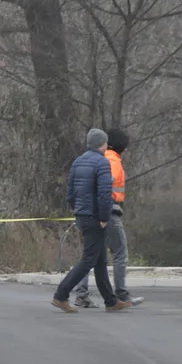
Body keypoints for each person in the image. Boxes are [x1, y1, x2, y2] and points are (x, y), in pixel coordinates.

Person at [52, 129, 132, 314]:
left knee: (100, 260)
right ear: (102, 144)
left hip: (82, 215)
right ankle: (61, 294)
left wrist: (76, 209)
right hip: (96, 217)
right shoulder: (102, 163)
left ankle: (111, 301)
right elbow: (104, 194)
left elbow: (70, 192)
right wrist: (104, 218)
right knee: (89, 260)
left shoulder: (78, 162)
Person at [72, 127, 143, 308]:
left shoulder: (103, 158)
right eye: (125, 146)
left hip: (96, 211)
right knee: (119, 253)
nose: (127, 150)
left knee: (92, 255)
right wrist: (104, 214)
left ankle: (82, 295)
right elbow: (103, 189)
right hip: (108, 212)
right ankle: (121, 294)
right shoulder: (111, 161)